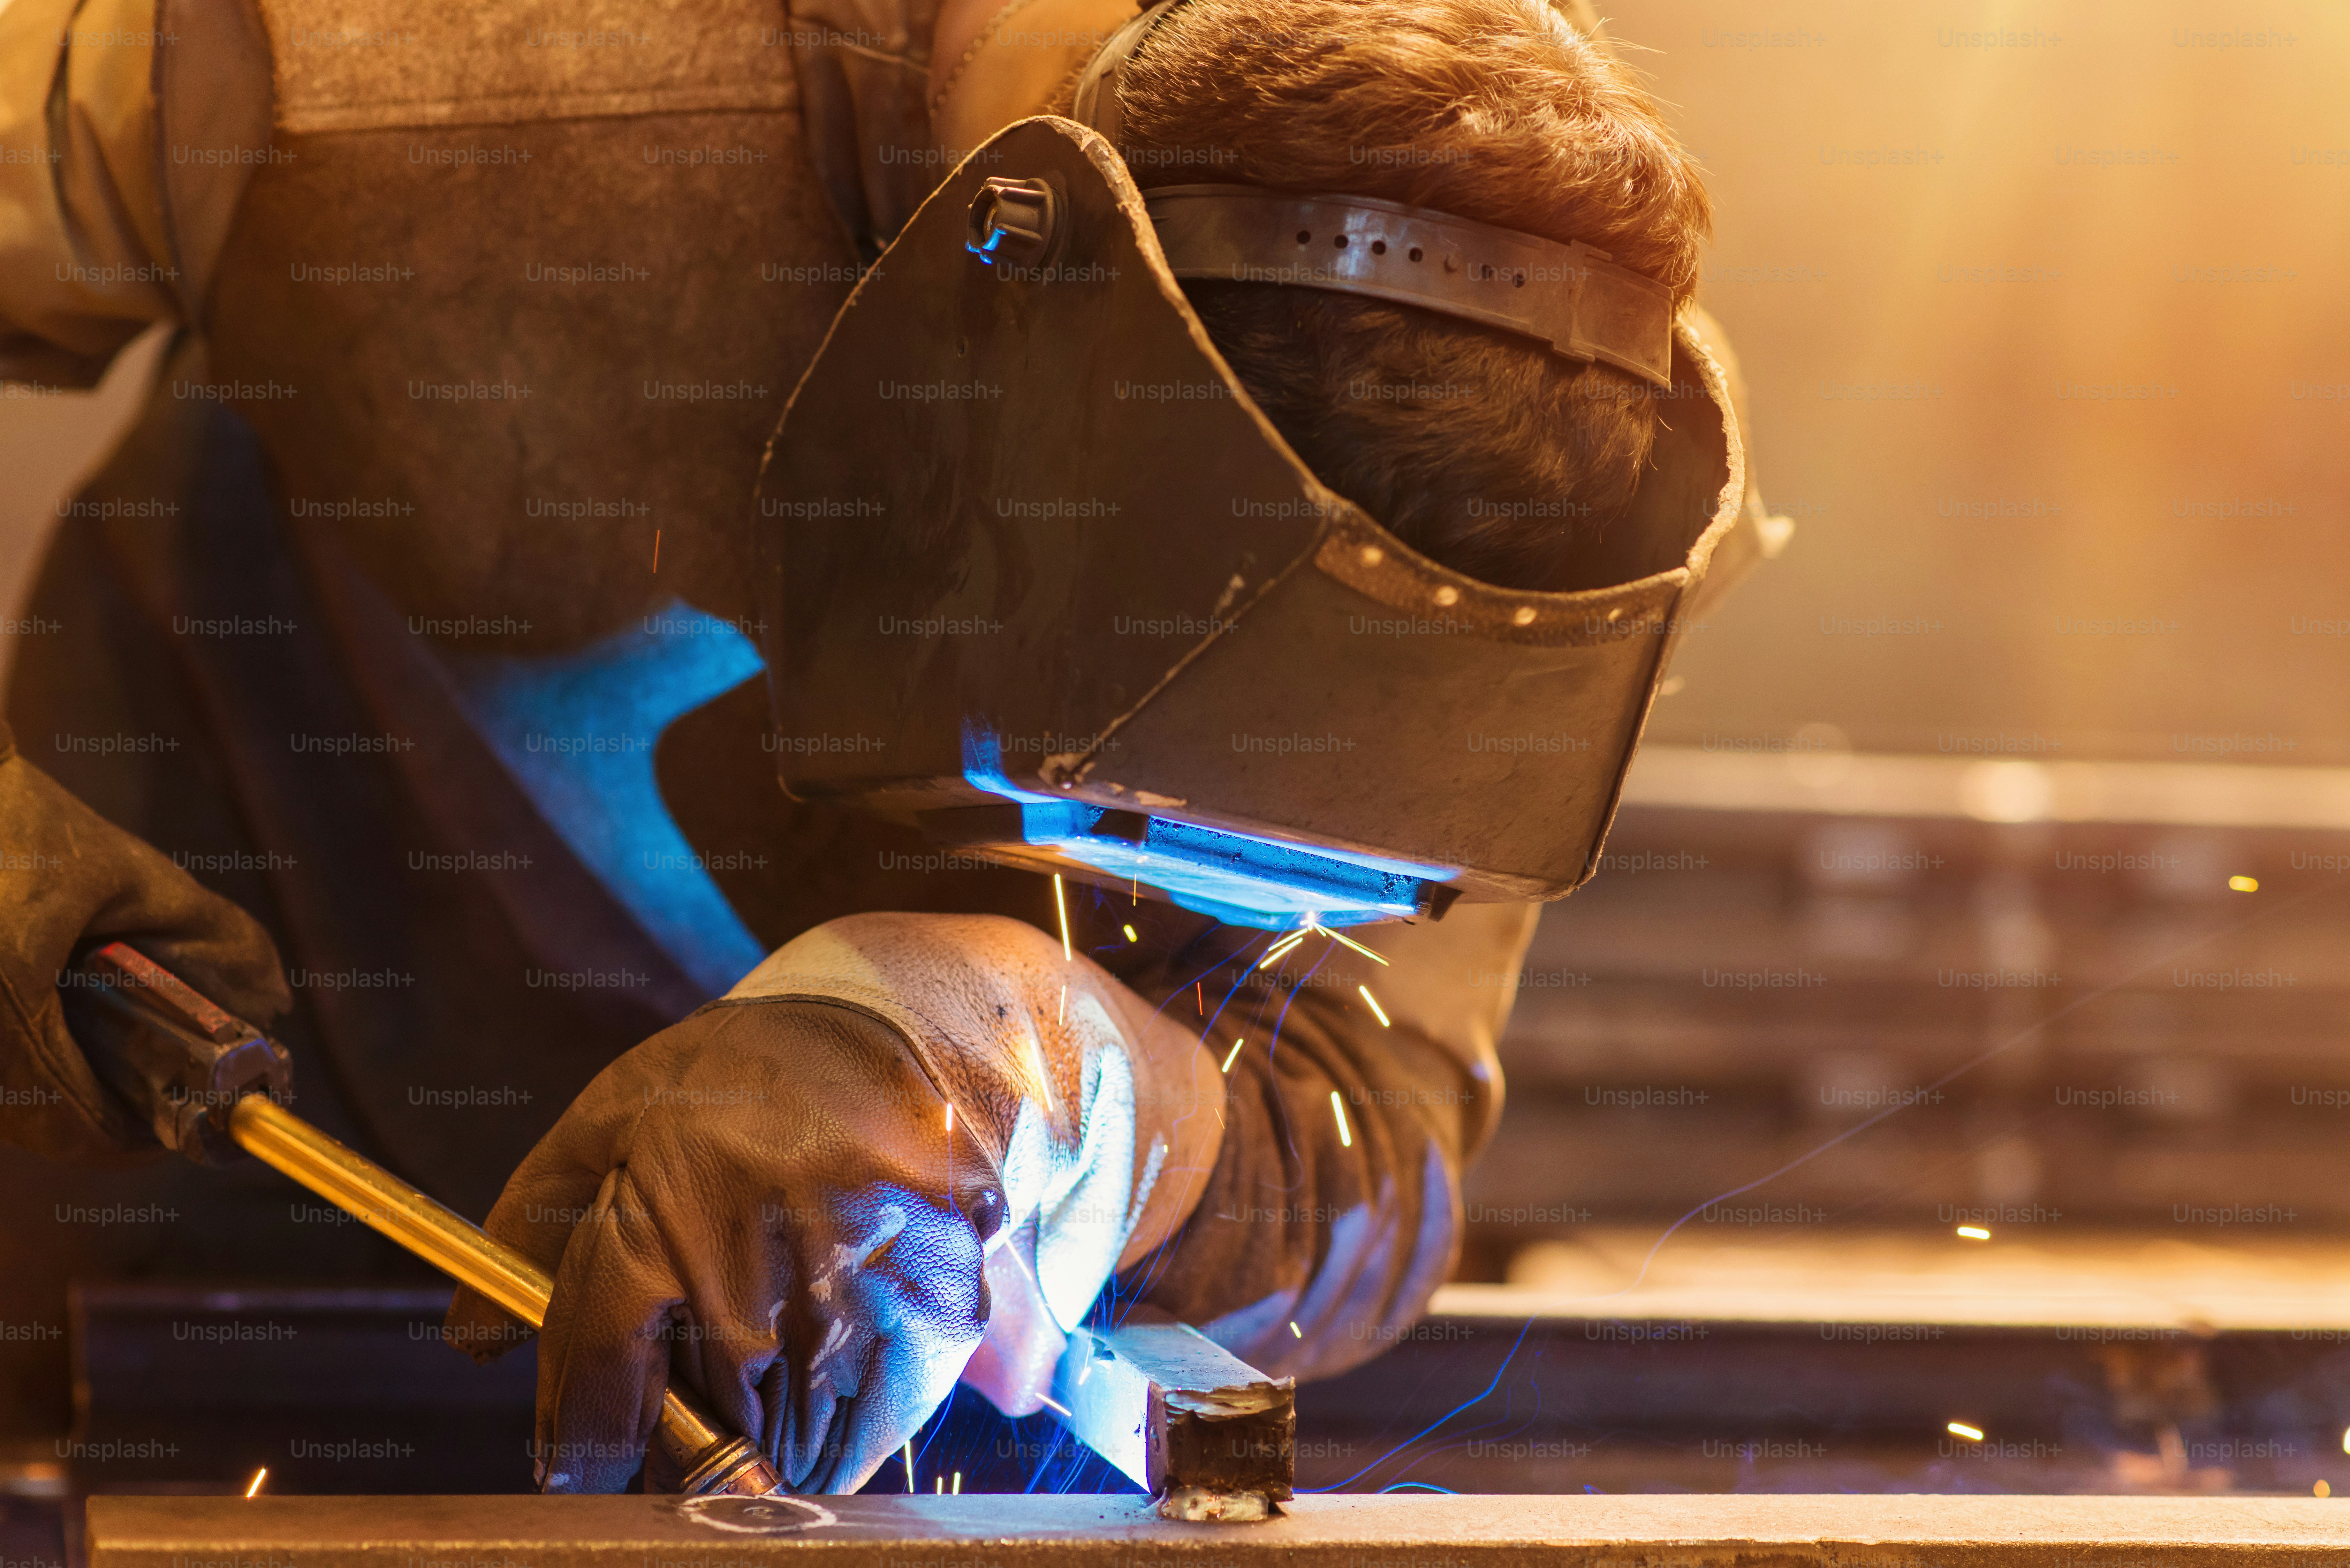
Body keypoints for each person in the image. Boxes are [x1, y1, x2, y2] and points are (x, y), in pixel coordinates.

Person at [0, 0, 1725, 1493]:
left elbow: (1363, 1145)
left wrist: (1016, 1062)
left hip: (825, 1332)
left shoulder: (1561, 434)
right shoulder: (385, 71)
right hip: (191, 1011)